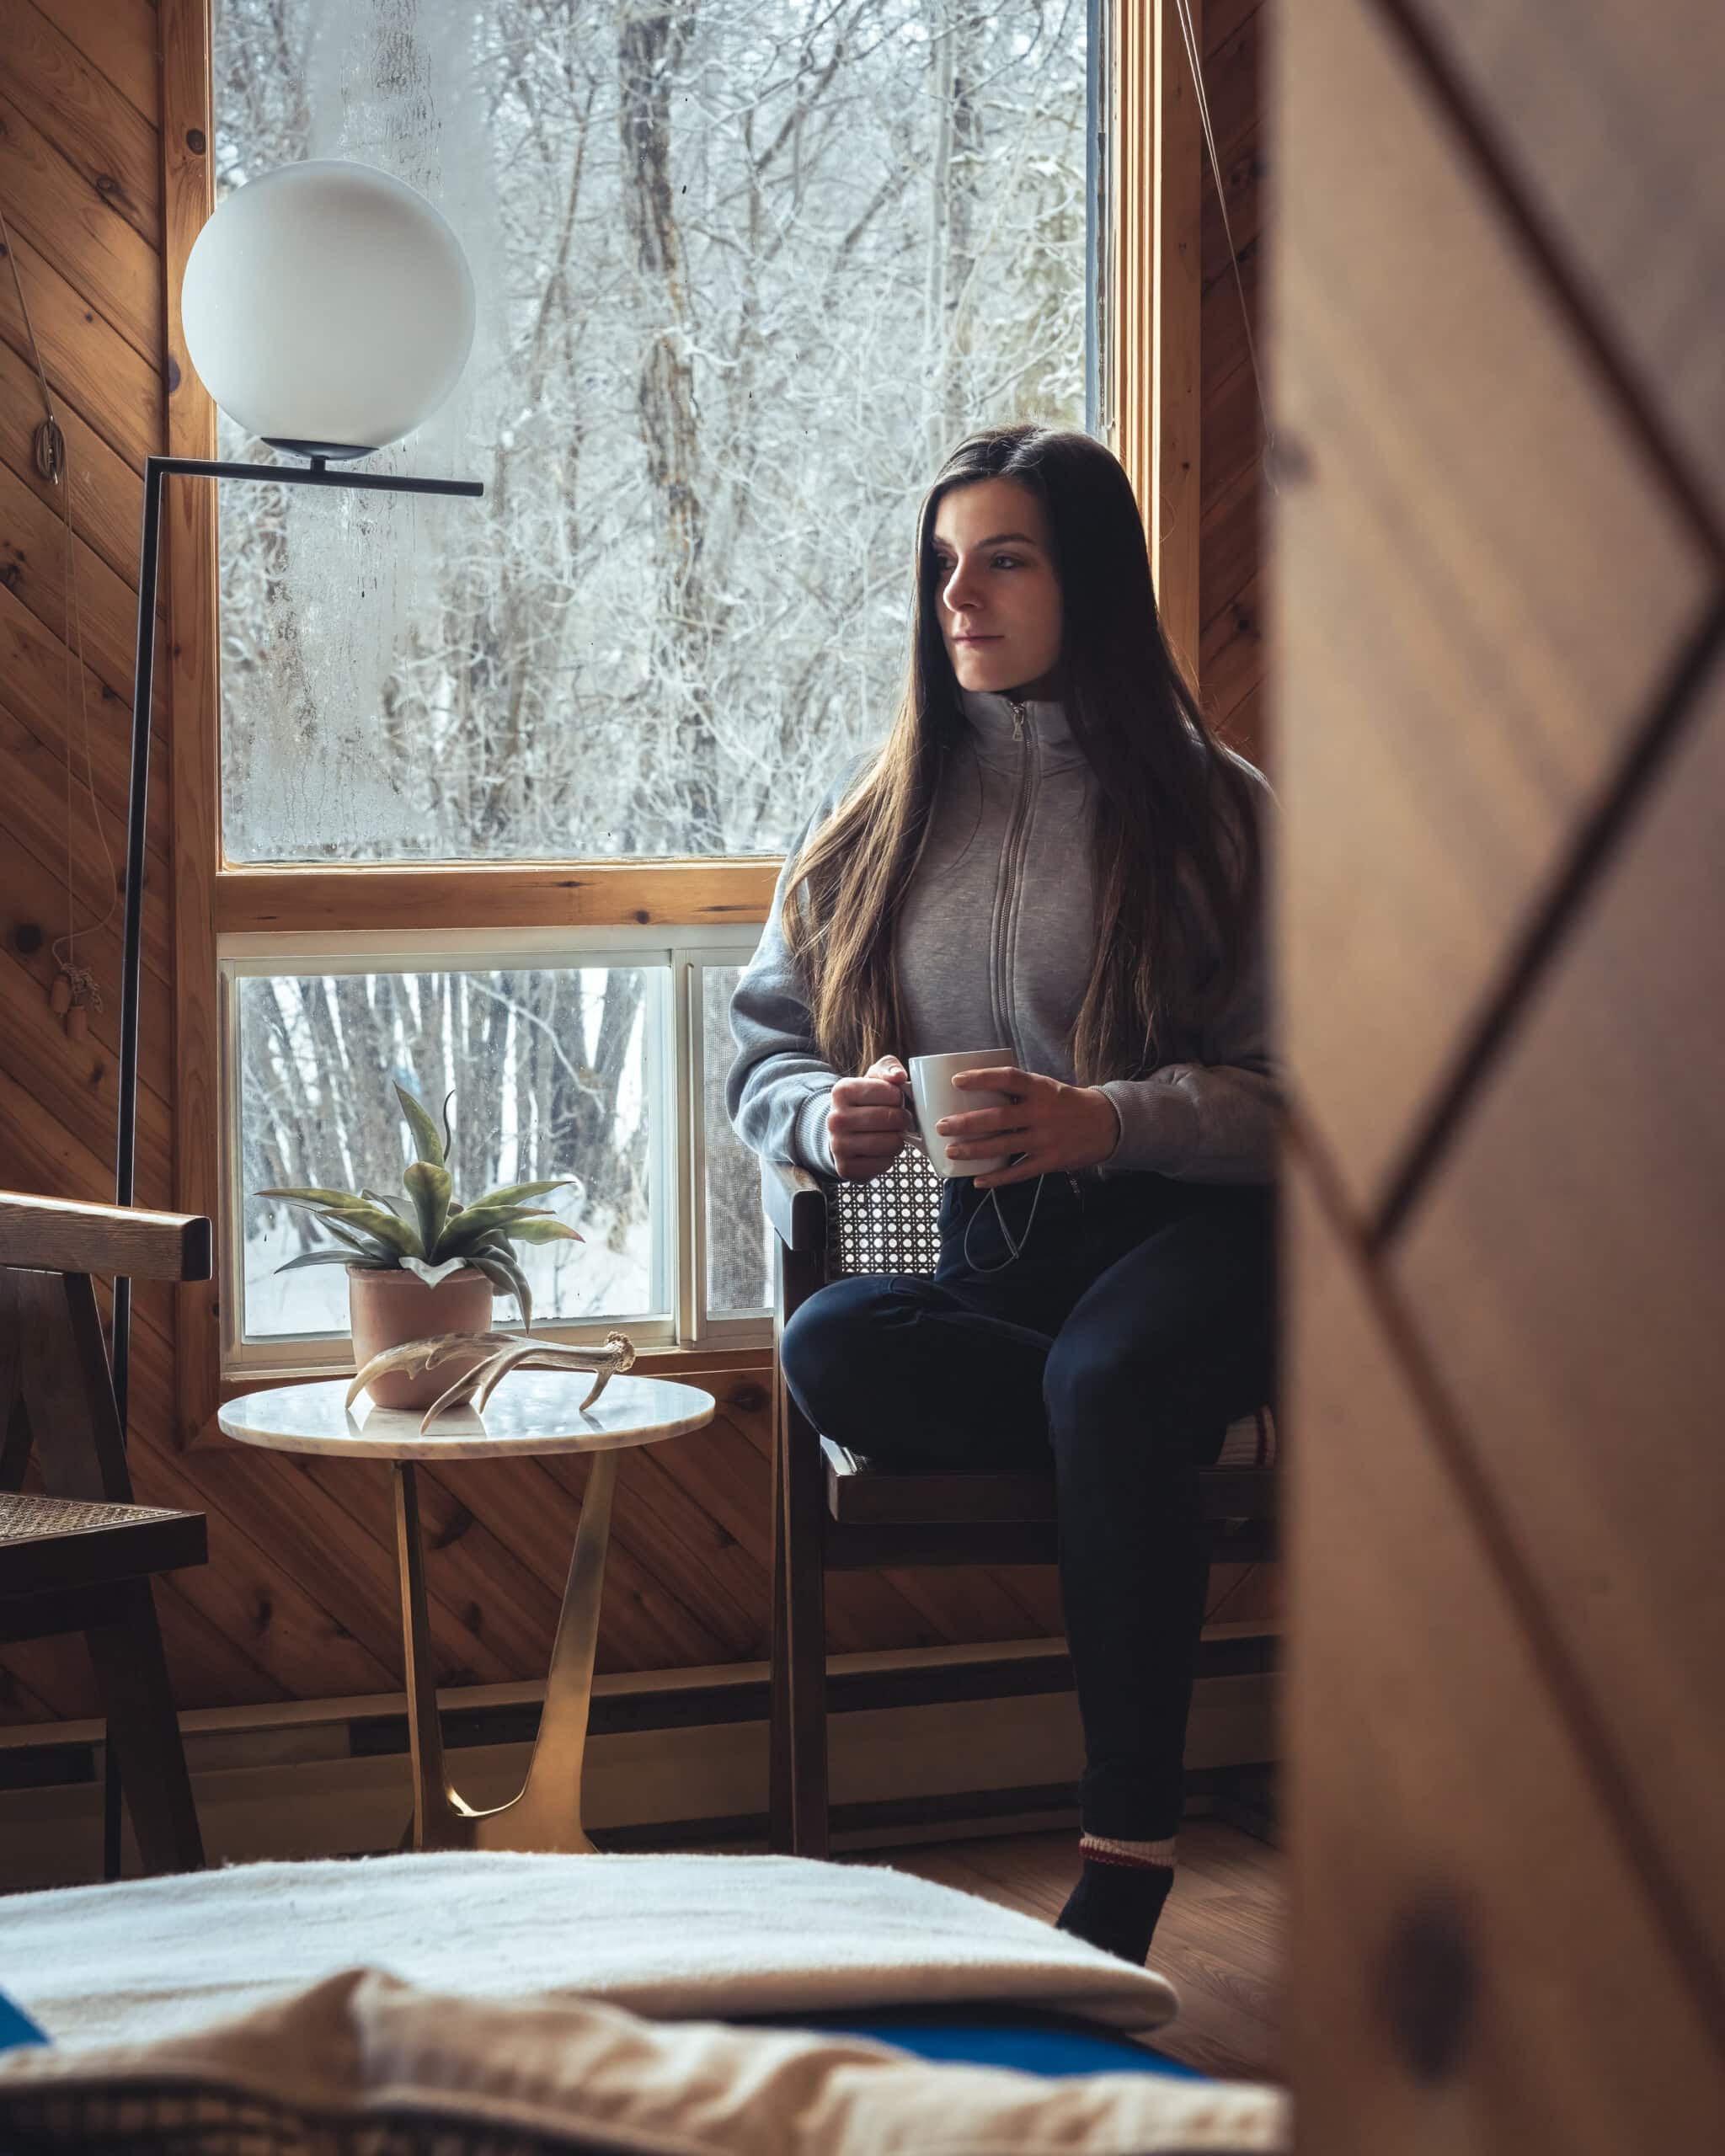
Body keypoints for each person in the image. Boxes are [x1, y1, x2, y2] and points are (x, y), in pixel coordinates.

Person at [726, 422, 1277, 1966]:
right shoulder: (878, 815)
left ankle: (1125, 1856)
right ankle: (1124, 1433)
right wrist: (815, 1117)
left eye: (1006, 558)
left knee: (1113, 1371)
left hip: (1201, 1230)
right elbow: (764, 1047)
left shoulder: (1216, 813)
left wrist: (1108, 1120)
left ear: (1089, 579)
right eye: (945, 562)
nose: (959, 593)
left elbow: (1315, 1102)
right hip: (1003, 1246)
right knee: (835, 1343)